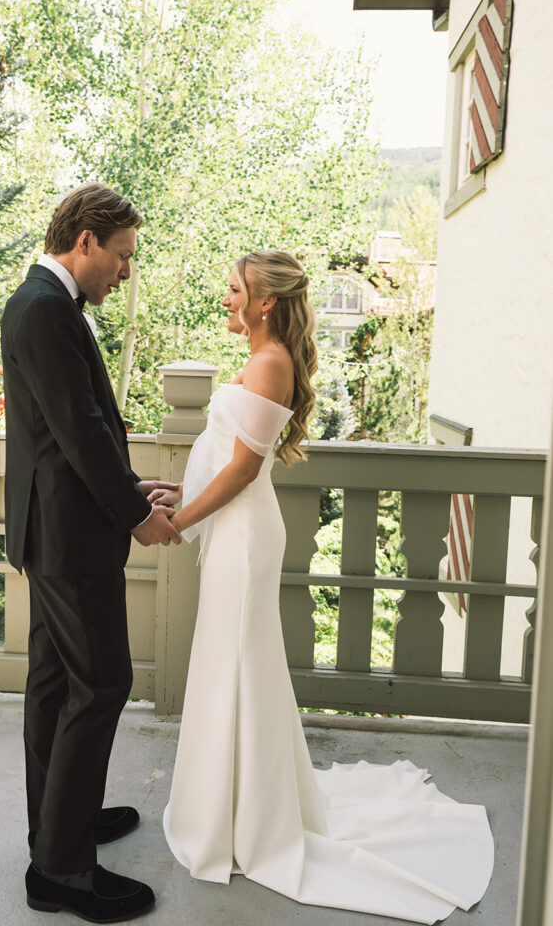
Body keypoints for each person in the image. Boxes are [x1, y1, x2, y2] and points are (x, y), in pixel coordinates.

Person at [154, 250, 494, 924]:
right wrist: (178, 491)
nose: (224, 300)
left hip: (243, 536)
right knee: (232, 664)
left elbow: (244, 472)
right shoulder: (262, 358)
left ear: (265, 303)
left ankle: (248, 819)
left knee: (237, 666)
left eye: (233, 291)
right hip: (233, 531)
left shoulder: (269, 360)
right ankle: (233, 804)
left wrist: (176, 522)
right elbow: (225, 454)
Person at [1, 182, 181, 923]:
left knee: (55, 683)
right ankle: (62, 872)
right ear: (85, 242)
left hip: (56, 528)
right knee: (102, 682)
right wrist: (136, 513)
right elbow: (76, 429)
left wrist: (129, 482)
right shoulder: (44, 308)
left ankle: (58, 822)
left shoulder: (40, 303)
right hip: (70, 539)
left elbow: (68, 433)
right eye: (121, 255)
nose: (124, 271)